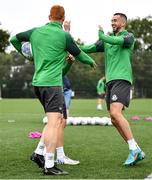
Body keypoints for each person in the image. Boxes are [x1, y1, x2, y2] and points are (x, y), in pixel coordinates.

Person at [10, 5, 96, 176]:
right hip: (52, 85)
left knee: (57, 120)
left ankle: (39, 153)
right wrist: (91, 62)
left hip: (38, 84)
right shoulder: (64, 36)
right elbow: (79, 54)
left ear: (49, 16)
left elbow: (13, 39)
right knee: (54, 123)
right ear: (63, 19)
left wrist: (27, 54)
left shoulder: (35, 32)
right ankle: (49, 164)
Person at [78, 13, 145, 166]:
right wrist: (71, 46)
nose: (112, 23)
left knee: (116, 113)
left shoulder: (128, 37)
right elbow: (89, 48)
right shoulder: (107, 40)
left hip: (122, 79)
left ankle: (134, 150)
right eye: (111, 21)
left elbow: (116, 40)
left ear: (123, 23)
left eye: (115, 20)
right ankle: (136, 149)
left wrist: (102, 35)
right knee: (114, 119)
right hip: (110, 82)